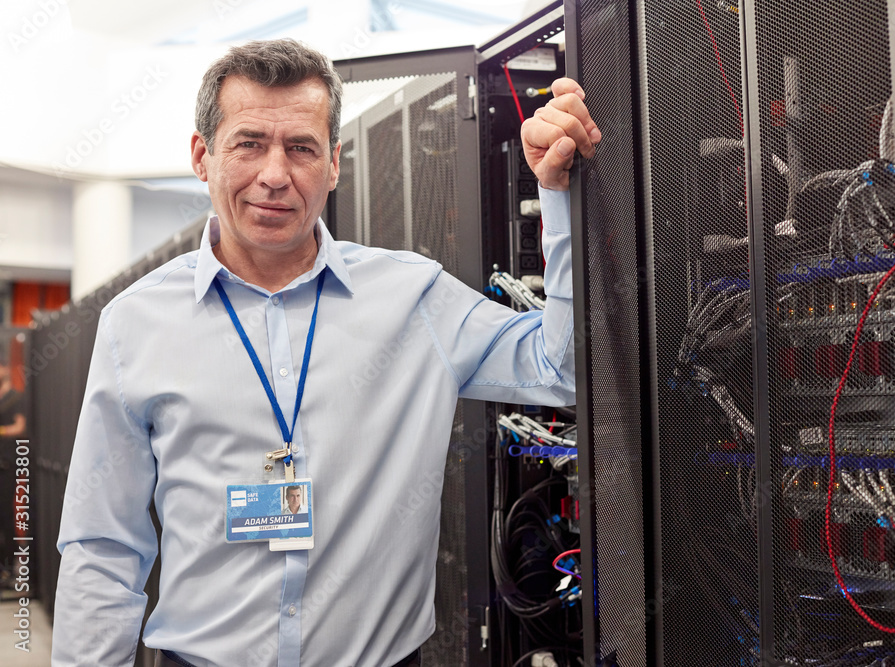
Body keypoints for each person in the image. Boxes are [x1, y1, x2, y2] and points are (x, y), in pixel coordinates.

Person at [52, 38, 600, 667]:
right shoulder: (136, 324)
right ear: (203, 156)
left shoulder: (413, 297)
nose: (275, 175)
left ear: (334, 163)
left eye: (302, 148)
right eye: (249, 143)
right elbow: (103, 546)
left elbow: (562, 372)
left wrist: (556, 192)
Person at [0, 355, 26, 589]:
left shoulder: (15, 397)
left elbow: (20, 426)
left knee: (8, 518)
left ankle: (10, 567)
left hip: (7, 466)